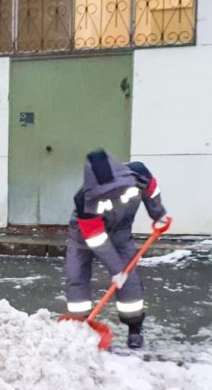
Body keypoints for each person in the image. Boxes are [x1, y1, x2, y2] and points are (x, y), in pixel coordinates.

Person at [65, 149, 170, 349]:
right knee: (76, 276)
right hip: (83, 236)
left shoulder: (139, 174)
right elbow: (96, 239)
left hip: (120, 233)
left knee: (129, 282)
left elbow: (152, 190)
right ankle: (79, 327)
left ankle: (134, 328)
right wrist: (116, 269)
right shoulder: (84, 201)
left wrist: (158, 214)